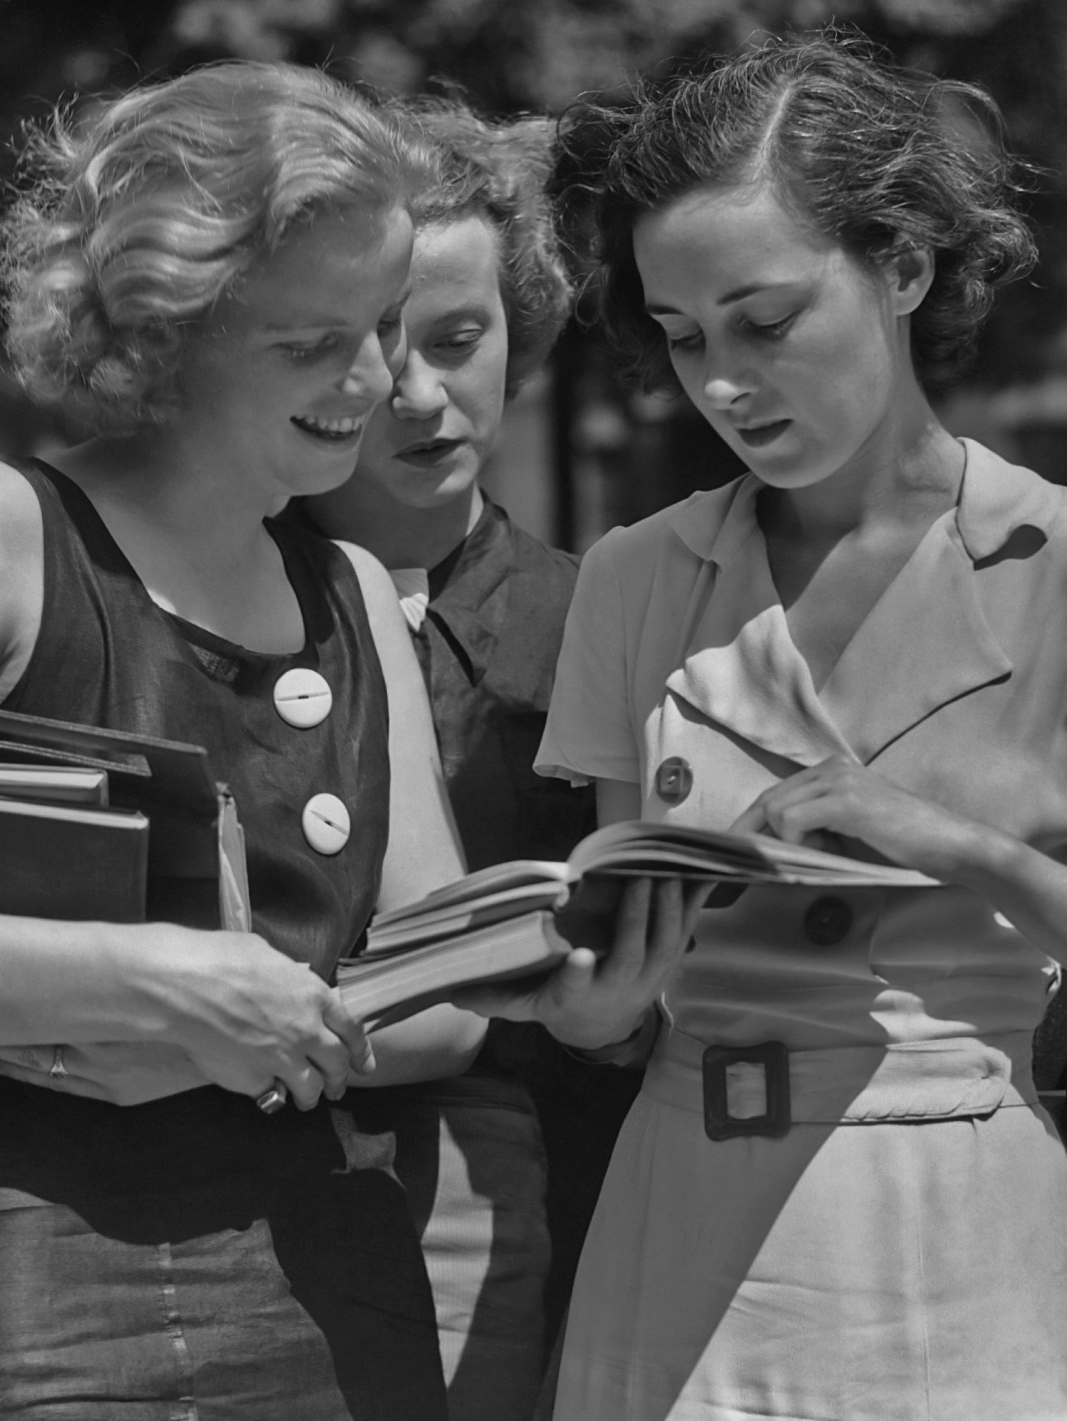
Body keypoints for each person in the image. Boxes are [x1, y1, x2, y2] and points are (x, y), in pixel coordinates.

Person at [461, 30, 1067, 1420]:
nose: (722, 382)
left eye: (766, 321)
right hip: (684, 1219)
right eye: (681, 338)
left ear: (904, 269)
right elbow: (618, 961)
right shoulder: (633, 574)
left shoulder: (1057, 565)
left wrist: (936, 838)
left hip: (955, 1222)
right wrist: (595, 1006)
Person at [0, 60, 494, 1420]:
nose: (380, 379)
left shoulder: (347, 588)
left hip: (334, 1270)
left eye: (388, 321)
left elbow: (450, 989)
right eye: (309, 342)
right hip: (40, 1281)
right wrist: (150, 981)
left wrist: (242, 1026)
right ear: (162, 331)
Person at [302, 100, 641, 1420]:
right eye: (375, 352)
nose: (421, 396)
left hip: (542, 1205)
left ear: (524, 331)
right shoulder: (201, 597)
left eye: (459, 340)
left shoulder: (610, 614)